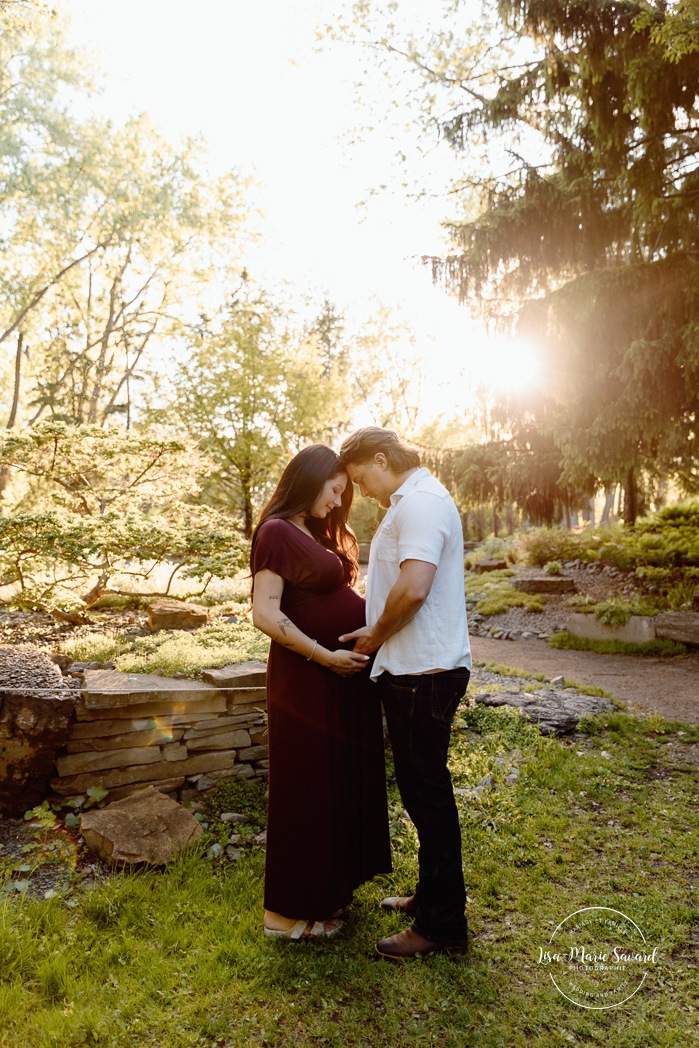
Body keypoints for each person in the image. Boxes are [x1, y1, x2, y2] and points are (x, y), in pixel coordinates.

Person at [338, 426, 471, 960]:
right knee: (422, 794)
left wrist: (375, 635)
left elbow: (414, 587)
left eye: (359, 478)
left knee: (428, 797)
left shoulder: (420, 503)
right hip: (416, 669)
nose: (361, 491)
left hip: (424, 673)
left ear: (380, 458)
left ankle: (443, 927)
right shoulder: (414, 499)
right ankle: (432, 896)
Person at [250, 444, 392, 940]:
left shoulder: (311, 532)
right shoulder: (275, 532)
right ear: (312, 479)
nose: (338, 501)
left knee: (334, 782)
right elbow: (265, 614)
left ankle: (327, 893)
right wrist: (325, 656)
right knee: (306, 786)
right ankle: (284, 916)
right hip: (307, 678)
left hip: (338, 681)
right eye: (335, 489)